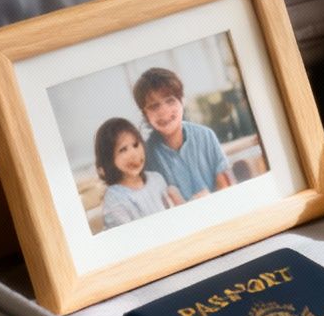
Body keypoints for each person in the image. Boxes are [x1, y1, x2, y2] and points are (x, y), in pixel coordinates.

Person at [134, 67, 234, 200]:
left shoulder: (206, 136)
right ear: (145, 114)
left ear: (182, 101)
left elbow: (226, 184)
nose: (164, 111)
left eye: (170, 101)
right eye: (154, 106)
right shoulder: (146, 156)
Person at [95, 117, 182, 230]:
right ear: (109, 159)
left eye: (136, 145)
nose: (133, 154)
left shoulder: (157, 179)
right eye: (123, 149)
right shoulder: (114, 198)